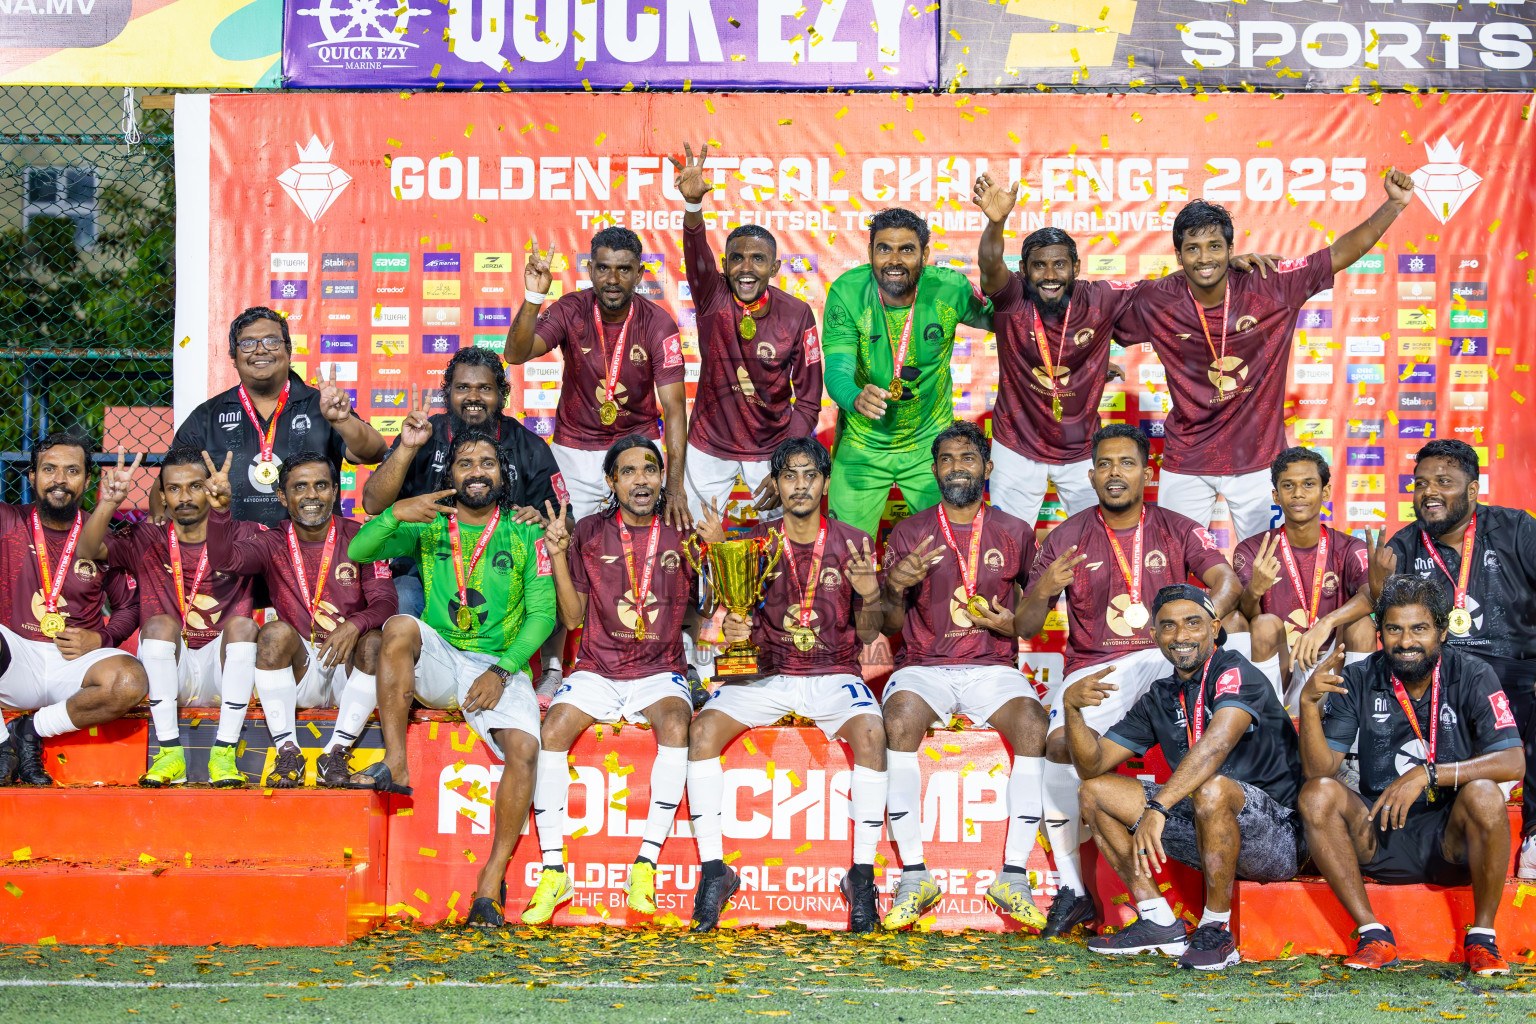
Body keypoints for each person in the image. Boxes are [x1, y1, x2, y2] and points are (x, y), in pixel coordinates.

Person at [1018, 423, 1242, 937]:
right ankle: (1079, 890)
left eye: (1126, 463)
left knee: (1234, 674)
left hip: (1165, 658)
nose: (1115, 473)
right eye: (1105, 464)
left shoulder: (1178, 528)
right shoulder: (1067, 536)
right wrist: (1044, 590)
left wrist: (1198, 626)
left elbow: (1227, 581)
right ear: (1091, 473)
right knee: (1058, 748)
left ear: (1148, 471)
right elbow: (1027, 627)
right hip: (1096, 670)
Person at [1115, 170, 1415, 541]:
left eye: (1214, 247)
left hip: (1258, 461)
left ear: (1230, 248)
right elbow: (1089, 314)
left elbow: (1338, 254)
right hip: (1187, 459)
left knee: (1264, 567)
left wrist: (1394, 205)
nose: (1204, 257)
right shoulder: (1157, 298)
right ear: (1178, 255)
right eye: (1193, 249)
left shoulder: (1270, 284)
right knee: (1171, 559)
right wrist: (1094, 367)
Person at [345, 428, 555, 928]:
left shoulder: (526, 531)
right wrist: (397, 511)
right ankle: (396, 763)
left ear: (503, 475)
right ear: (450, 474)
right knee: (398, 626)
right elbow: (358, 549)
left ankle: (490, 882)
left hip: (499, 663)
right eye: (465, 463)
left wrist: (504, 670)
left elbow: (544, 615)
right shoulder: (431, 522)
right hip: (441, 656)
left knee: (525, 750)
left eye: (487, 462)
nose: (477, 471)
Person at [686, 437, 888, 933]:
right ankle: (714, 870)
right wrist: (732, 626)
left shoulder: (854, 540)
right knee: (702, 732)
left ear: (824, 482)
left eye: (810, 475)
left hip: (833, 672)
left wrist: (870, 594)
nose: (800, 485)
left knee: (872, 735)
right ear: (775, 485)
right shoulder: (755, 540)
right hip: (770, 673)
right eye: (790, 476)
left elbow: (870, 633)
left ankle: (862, 876)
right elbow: (726, 617)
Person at [1065, 584, 1305, 970]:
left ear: (1214, 627)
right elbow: (1092, 766)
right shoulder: (1161, 695)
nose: (1181, 636)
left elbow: (1215, 746)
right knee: (1094, 792)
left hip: (1277, 837)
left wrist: (1158, 806)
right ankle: (1157, 920)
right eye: (1169, 627)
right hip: (1205, 825)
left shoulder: (1236, 671)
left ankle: (1216, 929)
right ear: (1155, 635)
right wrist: (1072, 710)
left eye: (1193, 623)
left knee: (1211, 788)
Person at [1297, 574, 1522, 975]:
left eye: (1419, 629)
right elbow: (1319, 771)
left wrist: (1429, 774)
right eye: (1394, 629)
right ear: (1379, 633)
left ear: (1441, 631)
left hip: (1449, 839)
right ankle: (1372, 933)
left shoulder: (1471, 673)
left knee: (1486, 793)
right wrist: (1309, 705)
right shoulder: (1360, 676)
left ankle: (1483, 938)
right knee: (1317, 794)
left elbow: (1512, 761)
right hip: (1379, 832)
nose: (1406, 642)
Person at [878, 420, 1049, 931]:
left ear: (987, 468)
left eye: (967, 459)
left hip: (992, 668)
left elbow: (1036, 618)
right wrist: (893, 586)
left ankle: (1013, 876)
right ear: (934, 470)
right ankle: (914, 875)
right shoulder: (909, 530)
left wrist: (1014, 623)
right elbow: (886, 623)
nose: (957, 468)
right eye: (948, 460)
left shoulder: (1015, 531)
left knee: (1035, 726)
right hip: (925, 667)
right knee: (899, 719)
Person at [523, 436, 698, 925]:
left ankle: (645, 864)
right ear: (611, 481)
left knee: (677, 727)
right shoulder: (591, 533)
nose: (640, 479)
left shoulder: (683, 530)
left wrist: (719, 546)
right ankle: (554, 871)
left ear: (663, 477)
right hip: (598, 668)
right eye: (628, 471)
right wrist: (557, 553)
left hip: (661, 670)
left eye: (649, 469)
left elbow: (708, 608)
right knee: (552, 731)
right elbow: (574, 618)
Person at [1367, 439, 1536, 879]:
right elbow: (1390, 624)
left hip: (1518, 671)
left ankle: (1534, 830)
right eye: (1421, 483)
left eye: (1444, 481)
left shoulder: (1516, 527)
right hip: (1446, 680)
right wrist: (1376, 592)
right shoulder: (1403, 544)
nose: (1429, 492)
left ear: (1474, 490)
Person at [359, 347, 568, 698]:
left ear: (502, 394)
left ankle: (548, 669)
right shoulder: (426, 432)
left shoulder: (528, 446)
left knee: (554, 570)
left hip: (504, 567)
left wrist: (546, 524)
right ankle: (408, 691)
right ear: (448, 393)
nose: (473, 397)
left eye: (484, 388)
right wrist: (408, 448)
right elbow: (371, 504)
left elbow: (564, 519)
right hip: (426, 564)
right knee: (405, 598)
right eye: (462, 388)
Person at [205, 451, 397, 788]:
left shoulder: (361, 536)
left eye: (321, 485)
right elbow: (226, 559)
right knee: (274, 633)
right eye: (300, 487)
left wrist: (354, 625)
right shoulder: (273, 542)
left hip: (349, 669)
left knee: (376, 641)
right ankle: (288, 751)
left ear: (335, 491)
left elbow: (386, 602)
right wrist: (220, 512)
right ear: (282, 496)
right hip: (300, 669)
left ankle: (336, 751)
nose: (311, 495)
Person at [80, 446, 258, 788]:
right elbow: (87, 551)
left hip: (224, 671)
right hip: (170, 672)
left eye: (194, 486)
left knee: (243, 626)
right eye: (174, 489)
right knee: (159, 623)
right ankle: (170, 752)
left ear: (211, 488)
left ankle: (223, 753)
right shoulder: (145, 538)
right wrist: (109, 503)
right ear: (161, 495)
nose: (184, 497)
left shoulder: (245, 534)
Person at [670, 143, 824, 523]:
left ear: (774, 267)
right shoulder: (712, 295)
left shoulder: (797, 313)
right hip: (709, 444)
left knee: (782, 543)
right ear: (725, 265)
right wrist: (693, 208)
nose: (746, 267)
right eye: (737, 258)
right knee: (695, 540)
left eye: (758, 259)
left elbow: (807, 399)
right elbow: (696, 257)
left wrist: (789, 458)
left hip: (773, 447)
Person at [972, 178, 1135, 528]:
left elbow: (1168, 292)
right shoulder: (1012, 297)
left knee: (1100, 537)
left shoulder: (1100, 298)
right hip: (1016, 444)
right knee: (1009, 542)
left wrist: (1228, 265)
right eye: (1039, 265)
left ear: (1075, 268)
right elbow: (989, 264)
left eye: (1059, 264)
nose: (1049, 275)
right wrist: (996, 223)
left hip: (1081, 448)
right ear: (1023, 271)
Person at [503, 227, 691, 531]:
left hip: (637, 448)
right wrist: (535, 295)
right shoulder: (570, 310)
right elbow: (515, 354)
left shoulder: (658, 323)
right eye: (603, 268)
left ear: (640, 273)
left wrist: (674, 486)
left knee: (644, 543)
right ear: (590, 270)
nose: (612, 280)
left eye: (623, 270)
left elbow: (674, 407)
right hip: (575, 452)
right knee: (568, 539)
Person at [822, 208, 994, 537]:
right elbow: (838, 369)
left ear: (925, 254)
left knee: (948, 553)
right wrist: (855, 396)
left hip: (931, 446)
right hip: (863, 447)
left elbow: (1010, 320)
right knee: (845, 559)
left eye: (907, 249)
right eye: (884, 248)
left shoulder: (949, 287)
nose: (894, 260)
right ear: (870, 251)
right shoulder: (847, 291)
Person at [0, 433, 148, 786]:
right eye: (49, 469)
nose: (60, 480)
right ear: (32, 476)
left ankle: (31, 730)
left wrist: (102, 637)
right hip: (14, 657)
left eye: (72, 470)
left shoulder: (104, 539)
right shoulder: (7, 523)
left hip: (75, 665)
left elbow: (131, 606)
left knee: (131, 681)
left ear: (86, 479)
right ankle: (3, 746)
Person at [172, 306, 388, 527]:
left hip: (313, 551)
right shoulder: (207, 415)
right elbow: (169, 482)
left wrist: (344, 422)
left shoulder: (321, 406)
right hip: (233, 552)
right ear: (233, 358)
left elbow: (375, 452)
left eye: (271, 341)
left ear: (288, 350)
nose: (260, 350)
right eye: (247, 344)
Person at [1232, 446, 1376, 709]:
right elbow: (1244, 616)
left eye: (1308, 484)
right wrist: (1255, 589)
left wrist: (1326, 623)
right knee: (1263, 623)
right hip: (1282, 662)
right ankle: (1269, 725)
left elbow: (1372, 595)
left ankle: (1355, 727)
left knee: (1363, 624)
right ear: (1276, 496)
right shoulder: (1253, 550)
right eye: (1288, 486)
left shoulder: (1350, 548)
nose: (1298, 494)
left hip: (1334, 659)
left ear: (1326, 492)